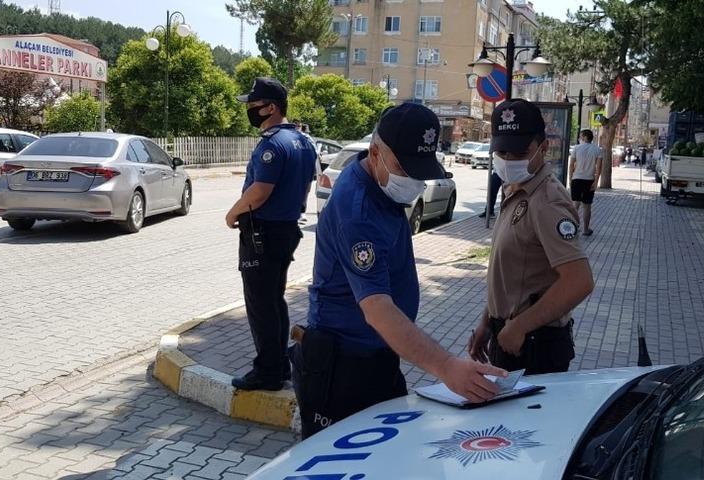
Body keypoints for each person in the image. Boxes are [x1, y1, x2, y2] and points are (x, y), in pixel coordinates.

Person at [291, 103, 507, 438]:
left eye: (419, 170)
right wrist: (447, 367)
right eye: (404, 168)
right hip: (341, 367)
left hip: (377, 357)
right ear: (375, 152)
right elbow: (378, 310)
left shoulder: (376, 181)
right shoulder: (357, 210)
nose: (412, 180)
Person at [468, 99, 594, 375]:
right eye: (501, 151)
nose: (509, 160)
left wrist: (519, 326)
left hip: (535, 345)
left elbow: (579, 281)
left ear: (543, 148)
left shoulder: (547, 201)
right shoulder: (516, 189)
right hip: (512, 336)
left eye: (519, 152)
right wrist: (487, 322)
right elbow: (510, 275)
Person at [226, 77, 317, 391]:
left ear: (272, 107)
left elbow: (260, 191)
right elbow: (305, 186)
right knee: (274, 300)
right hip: (287, 230)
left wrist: (233, 212)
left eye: (254, 105)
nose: (250, 110)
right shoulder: (304, 142)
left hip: (261, 233)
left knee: (261, 304)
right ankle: (279, 366)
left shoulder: (272, 144)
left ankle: (267, 371)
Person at [569, 129, 603, 236]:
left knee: (575, 205)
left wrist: (570, 179)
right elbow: (599, 168)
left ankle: (573, 227)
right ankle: (585, 229)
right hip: (589, 180)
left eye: (580, 136)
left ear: (584, 137)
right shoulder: (597, 149)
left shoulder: (576, 148)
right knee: (587, 206)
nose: (579, 138)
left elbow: (571, 165)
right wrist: (596, 182)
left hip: (577, 179)